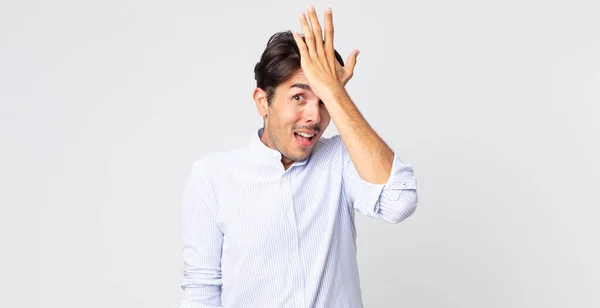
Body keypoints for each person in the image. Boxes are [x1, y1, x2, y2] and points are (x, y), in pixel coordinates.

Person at [178, 6, 418, 308]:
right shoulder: (212, 176)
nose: (314, 116)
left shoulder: (341, 160)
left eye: (323, 101)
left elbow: (399, 202)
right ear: (263, 102)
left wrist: (336, 93)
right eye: (299, 97)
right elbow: (201, 292)